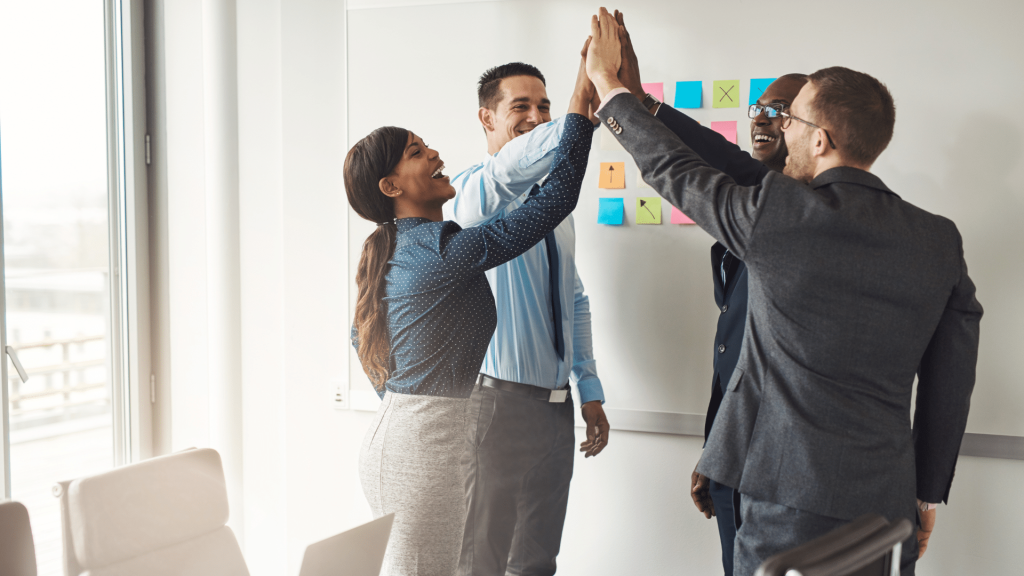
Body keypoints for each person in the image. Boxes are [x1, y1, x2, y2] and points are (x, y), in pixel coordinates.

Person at [585, 8, 982, 576]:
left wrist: (607, 87)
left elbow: (672, 168)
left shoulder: (780, 213)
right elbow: (953, 375)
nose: (781, 129)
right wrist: (926, 492)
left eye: (790, 120)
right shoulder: (939, 239)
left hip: (785, 501)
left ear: (820, 140)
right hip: (887, 505)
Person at [347, 53, 595, 575]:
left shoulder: (410, 245)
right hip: (425, 446)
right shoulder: (441, 243)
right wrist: (579, 106)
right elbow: (554, 200)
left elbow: (359, 337)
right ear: (391, 188)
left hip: (419, 434)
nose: (434, 152)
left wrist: (404, 401)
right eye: (417, 152)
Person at [601, 13, 807, 575]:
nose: (763, 118)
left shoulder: (797, 210)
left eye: (780, 110)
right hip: (733, 455)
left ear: (814, 130)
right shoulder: (760, 202)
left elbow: (698, 160)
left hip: (779, 473)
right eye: (758, 107)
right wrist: (716, 450)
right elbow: (735, 354)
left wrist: (618, 97)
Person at [443, 59, 609, 576]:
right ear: (486, 119)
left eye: (545, 106)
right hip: (494, 409)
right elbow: (509, 169)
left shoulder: (556, 209)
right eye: (521, 107)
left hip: (555, 413)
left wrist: (590, 387)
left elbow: (574, 298)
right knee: (482, 562)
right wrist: (582, 102)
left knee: (537, 563)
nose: (536, 116)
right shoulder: (471, 196)